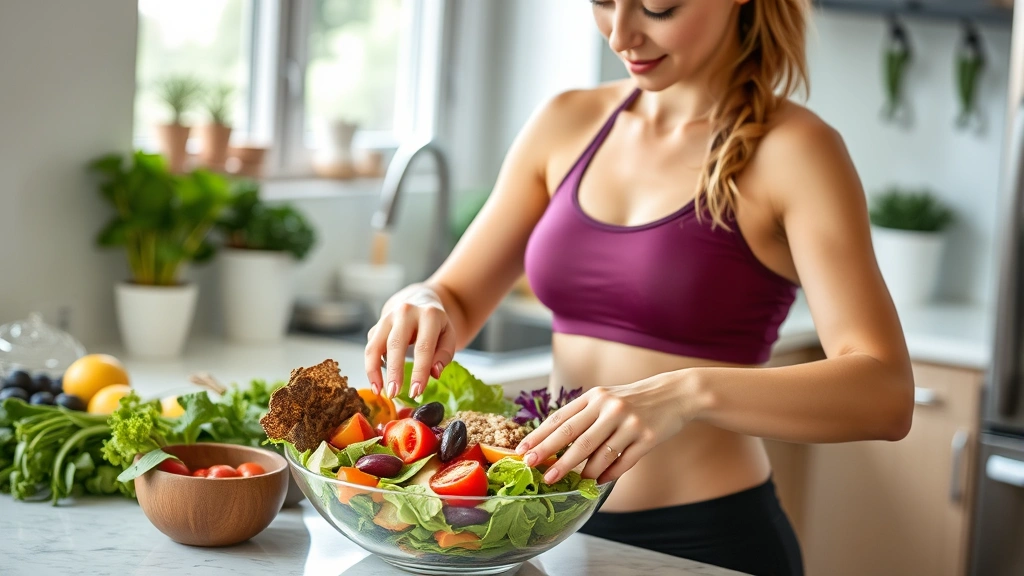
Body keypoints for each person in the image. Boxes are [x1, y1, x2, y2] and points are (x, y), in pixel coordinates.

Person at [363, 1, 915, 574]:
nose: (621, 34)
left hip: (705, 541)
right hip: (544, 527)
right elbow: (456, 295)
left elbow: (885, 392)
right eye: (603, 1)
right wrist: (421, 298)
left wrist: (683, 393)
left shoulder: (797, 150)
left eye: (658, 7)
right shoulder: (567, 121)